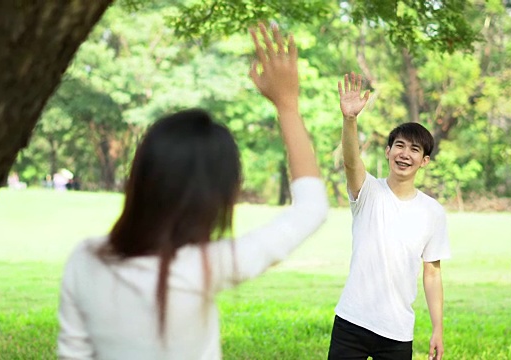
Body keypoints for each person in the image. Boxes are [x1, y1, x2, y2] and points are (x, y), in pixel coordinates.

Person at [57, 23, 328, 360]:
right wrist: (287, 105)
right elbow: (311, 207)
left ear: (141, 176)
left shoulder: (85, 259)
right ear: (219, 197)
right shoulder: (206, 268)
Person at [327, 72, 451, 360]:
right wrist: (349, 119)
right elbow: (350, 161)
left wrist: (437, 328)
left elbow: (432, 273)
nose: (405, 154)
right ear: (388, 151)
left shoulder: (432, 212)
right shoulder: (368, 191)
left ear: (424, 161)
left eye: (414, 149)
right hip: (351, 322)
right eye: (400, 145)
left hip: (397, 332)